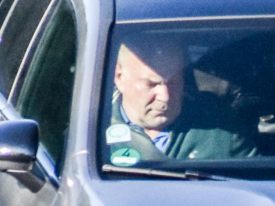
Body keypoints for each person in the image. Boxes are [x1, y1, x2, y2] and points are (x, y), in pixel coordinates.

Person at [100, 34, 253, 166]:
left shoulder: (219, 125)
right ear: (119, 77)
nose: (165, 96)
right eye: (151, 84)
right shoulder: (93, 129)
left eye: (173, 82)